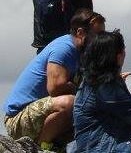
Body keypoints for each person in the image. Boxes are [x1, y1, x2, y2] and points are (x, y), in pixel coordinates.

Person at [4, 9, 105, 149]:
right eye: (97, 35)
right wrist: (81, 90)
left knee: (96, 113)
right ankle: (41, 148)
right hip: (18, 120)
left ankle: (56, 146)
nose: (100, 40)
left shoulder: (82, 55)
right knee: (70, 103)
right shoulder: (64, 49)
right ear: (80, 33)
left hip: (41, 116)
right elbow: (55, 88)